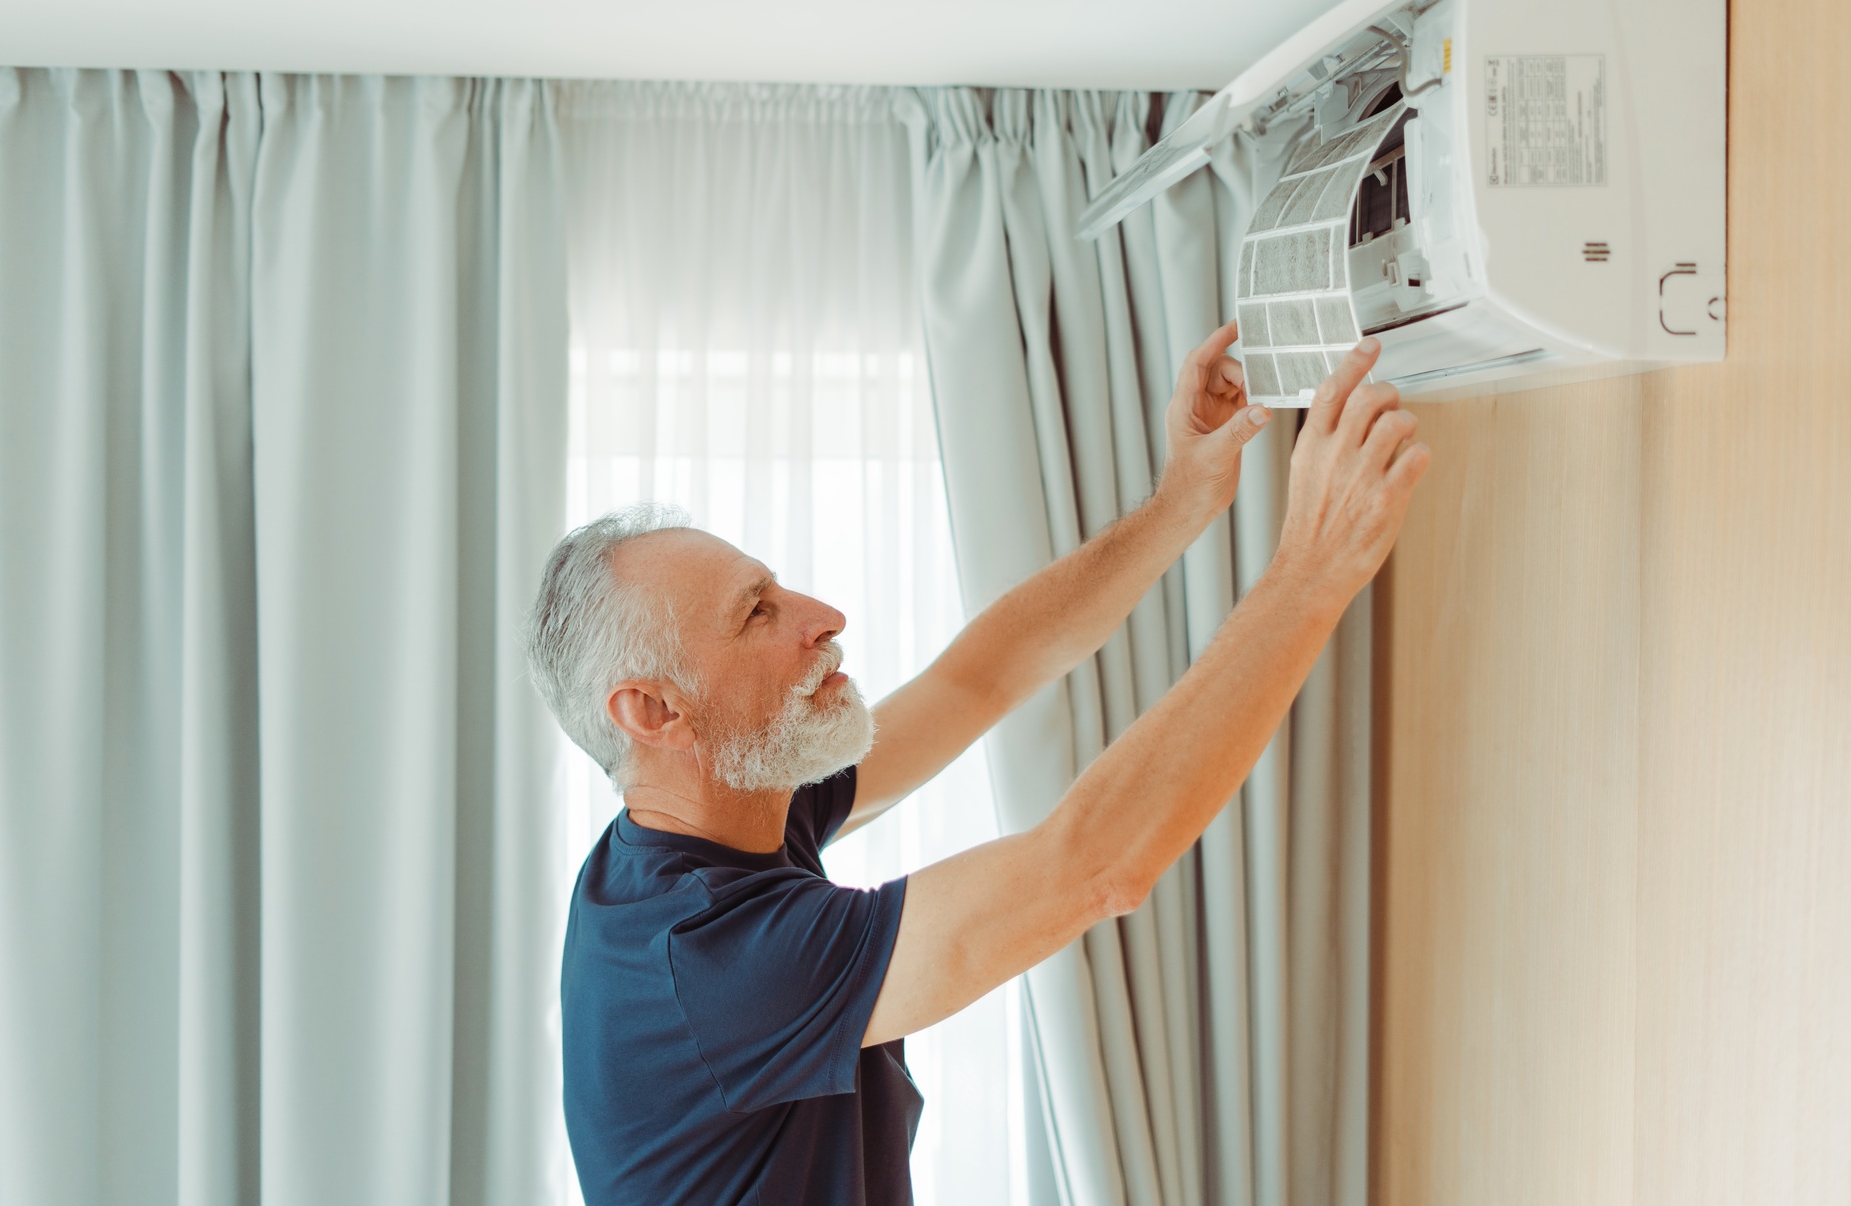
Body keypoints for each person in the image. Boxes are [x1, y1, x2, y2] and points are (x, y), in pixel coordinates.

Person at [524, 327, 1429, 1205]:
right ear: (654, 711)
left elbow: (977, 679)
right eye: (756, 612)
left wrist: (1180, 501)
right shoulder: (705, 963)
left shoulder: (711, 816)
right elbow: (1092, 866)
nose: (823, 613)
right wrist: (1311, 571)